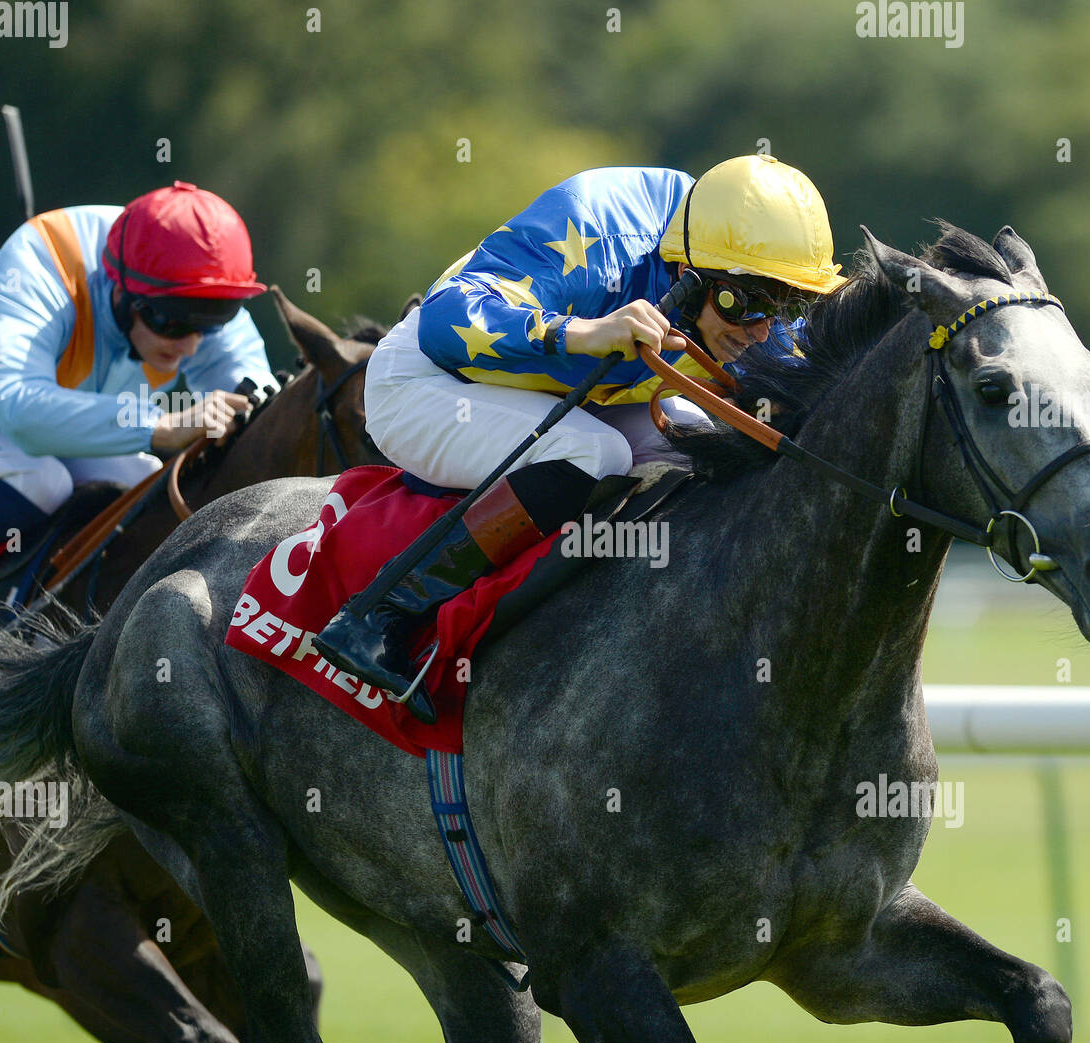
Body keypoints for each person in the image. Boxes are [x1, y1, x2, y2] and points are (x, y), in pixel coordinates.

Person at [314, 154, 849, 721]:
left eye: (786, 305)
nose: (763, 330)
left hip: (566, 396)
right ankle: (386, 615)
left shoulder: (744, 265)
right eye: (748, 307)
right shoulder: (598, 227)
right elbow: (445, 322)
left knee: (696, 444)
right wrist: (586, 332)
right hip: (428, 381)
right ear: (690, 276)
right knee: (596, 452)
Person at [0, 181, 274, 551]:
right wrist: (162, 424)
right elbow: (20, 408)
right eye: (171, 323)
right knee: (39, 481)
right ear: (122, 291)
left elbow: (257, 396)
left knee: (142, 483)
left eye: (210, 326)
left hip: (28, 434)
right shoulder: (39, 266)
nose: (191, 345)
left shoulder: (196, 287)